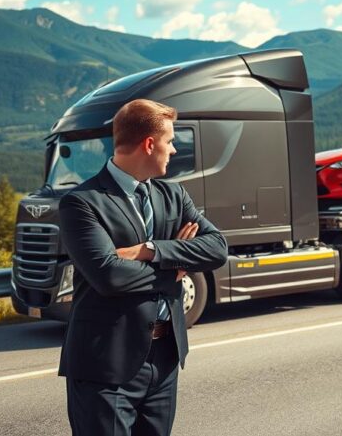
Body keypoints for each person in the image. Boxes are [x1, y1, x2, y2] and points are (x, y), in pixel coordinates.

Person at [58, 99, 228, 436]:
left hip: (164, 359)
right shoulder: (82, 202)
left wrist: (152, 250)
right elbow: (109, 276)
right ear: (149, 144)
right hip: (105, 367)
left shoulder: (173, 195)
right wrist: (176, 268)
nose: (174, 149)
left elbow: (217, 248)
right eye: (170, 141)